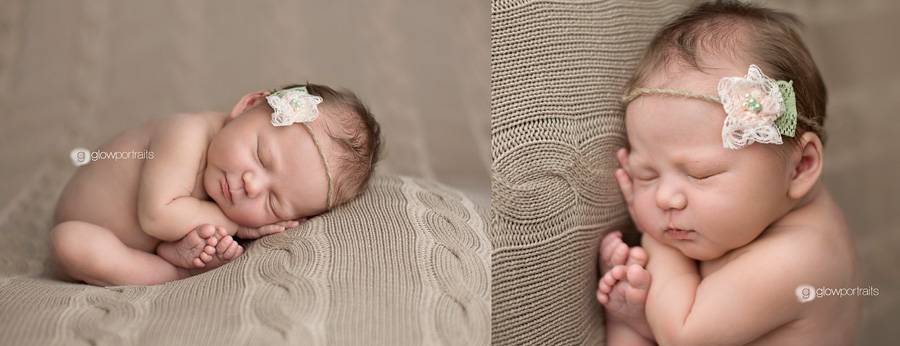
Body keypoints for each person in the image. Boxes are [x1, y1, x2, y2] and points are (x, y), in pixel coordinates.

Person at [596, 1, 860, 344]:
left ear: (800, 166)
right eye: (646, 174)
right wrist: (632, 312)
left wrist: (656, 243)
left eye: (700, 173)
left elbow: (681, 335)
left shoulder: (799, 258)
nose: (664, 197)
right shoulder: (757, 217)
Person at [51, 83, 382, 286]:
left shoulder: (221, 192)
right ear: (247, 106)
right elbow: (157, 217)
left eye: (273, 202)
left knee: (195, 238)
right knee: (67, 242)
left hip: (149, 242)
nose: (252, 185)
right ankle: (174, 275)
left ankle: (171, 257)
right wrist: (236, 223)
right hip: (88, 224)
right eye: (261, 156)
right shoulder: (186, 134)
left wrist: (204, 236)